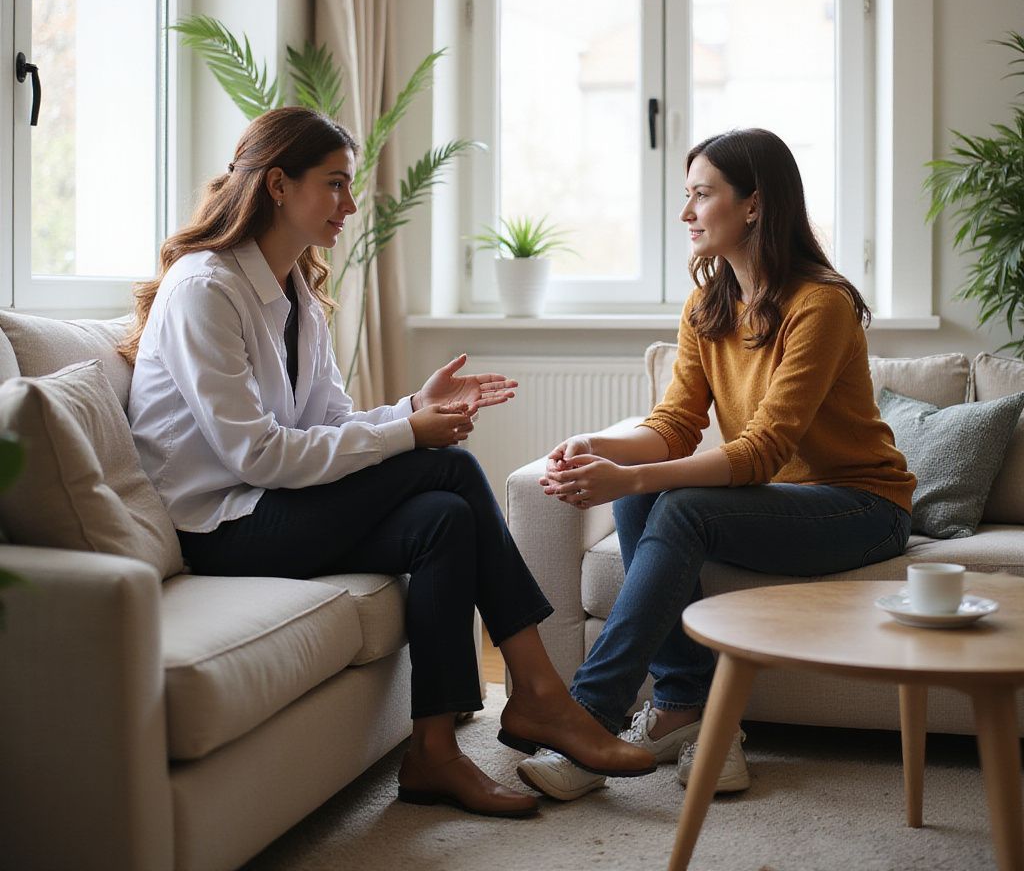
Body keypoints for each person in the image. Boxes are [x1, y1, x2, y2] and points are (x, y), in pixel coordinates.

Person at [121, 106, 654, 820]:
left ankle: (433, 752)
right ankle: (543, 697)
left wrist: (408, 409)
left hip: (272, 506)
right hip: (221, 526)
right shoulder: (205, 289)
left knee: (441, 519)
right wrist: (411, 431)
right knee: (452, 471)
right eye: (335, 185)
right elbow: (258, 452)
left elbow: (331, 425)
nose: (350, 204)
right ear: (278, 185)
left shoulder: (296, 292)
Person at [517, 128, 916, 802]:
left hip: (861, 507)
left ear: (754, 205)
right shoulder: (708, 305)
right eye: (687, 195)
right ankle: (688, 714)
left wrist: (634, 476)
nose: (686, 214)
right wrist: (600, 447)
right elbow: (675, 428)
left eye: (701, 195)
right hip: (777, 508)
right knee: (643, 499)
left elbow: (762, 450)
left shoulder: (823, 304)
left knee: (667, 500)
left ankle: (586, 722)